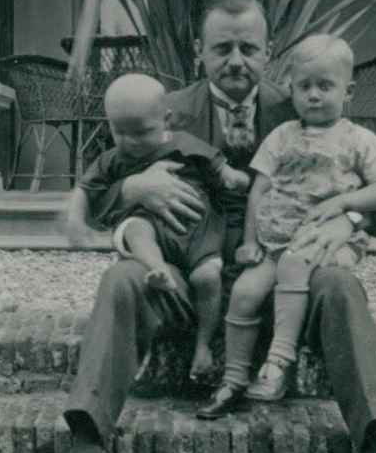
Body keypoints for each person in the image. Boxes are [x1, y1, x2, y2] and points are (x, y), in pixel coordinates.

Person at [37, 0, 376, 453]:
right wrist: (133, 187)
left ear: (269, 53)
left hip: (283, 284)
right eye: (222, 49)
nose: (236, 61)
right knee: (120, 278)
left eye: (248, 48)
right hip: (192, 280)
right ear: (199, 52)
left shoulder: (304, 103)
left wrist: (352, 218)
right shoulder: (165, 110)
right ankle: (86, 452)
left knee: (339, 283)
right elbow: (96, 189)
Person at [220, 34, 376, 404]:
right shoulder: (282, 136)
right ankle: (233, 375)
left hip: (324, 241)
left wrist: (346, 204)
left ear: (348, 91)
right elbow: (259, 189)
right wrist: (251, 241)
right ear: (291, 89)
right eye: (304, 87)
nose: (314, 95)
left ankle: (278, 363)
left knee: (292, 264)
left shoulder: (359, 140)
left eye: (325, 86)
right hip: (275, 243)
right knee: (244, 292)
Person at [66, 73, 249, 381]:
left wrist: (232, 177)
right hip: (152, 227)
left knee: (208, 276)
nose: (130, 142)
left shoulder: (184, 144)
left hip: (198, 230)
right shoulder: (112, 159)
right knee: (137, 230)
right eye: (119, 131)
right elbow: (86, 189)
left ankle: (203, 346)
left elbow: (218, 168)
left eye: (141, 132)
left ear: (166, 119)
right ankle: (157, 269)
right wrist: (75, 219)